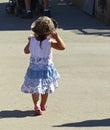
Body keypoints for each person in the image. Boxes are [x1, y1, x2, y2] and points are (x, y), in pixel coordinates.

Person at [21, 16, 66, 115]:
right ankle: (43, 105)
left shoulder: (32, 40)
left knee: (35, 88)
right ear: (50, 32)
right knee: (45, 88)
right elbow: (62, 47)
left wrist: (29, 41)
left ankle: (36, 104)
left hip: (34, 68)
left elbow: (26, 51)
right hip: (46, 68)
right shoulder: (49, 42)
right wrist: (57, 37)